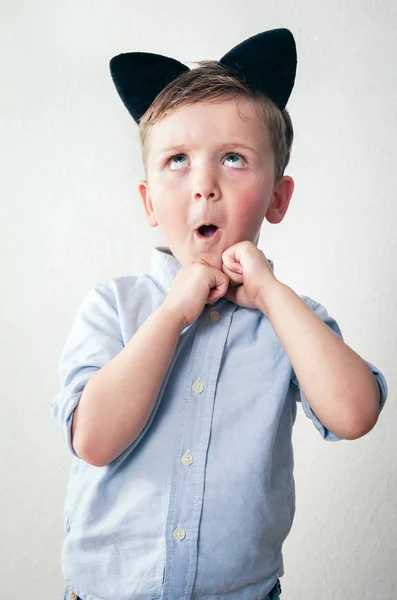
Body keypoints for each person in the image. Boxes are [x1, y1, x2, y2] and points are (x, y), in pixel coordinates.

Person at [52, 29, 388, 600]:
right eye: (177, 161)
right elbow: (94, 440)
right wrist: (172, 313)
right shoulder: (116, 305)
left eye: (234, 159)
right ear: (149, 201)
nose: (204, 186)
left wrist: (269, 293)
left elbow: (356, 412)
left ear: (278, 198)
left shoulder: (291, 322)